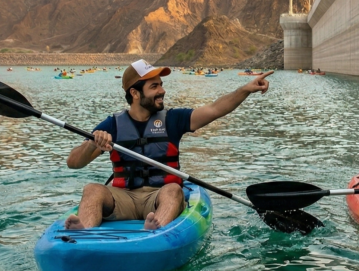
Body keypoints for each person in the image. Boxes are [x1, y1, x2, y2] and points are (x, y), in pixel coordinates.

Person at [65, 59, 274, 230]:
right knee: (92, 189)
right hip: (124, 198)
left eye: (161, 85)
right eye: (154, 86)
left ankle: (156, 230)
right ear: (135, 93)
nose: (162, 91)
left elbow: (215, 109)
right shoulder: (113, 124)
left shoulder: (173, 120)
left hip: (159, 196)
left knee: (174, 189)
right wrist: (93, 144)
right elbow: (73, 163)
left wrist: (245, 90)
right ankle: (83, 234)